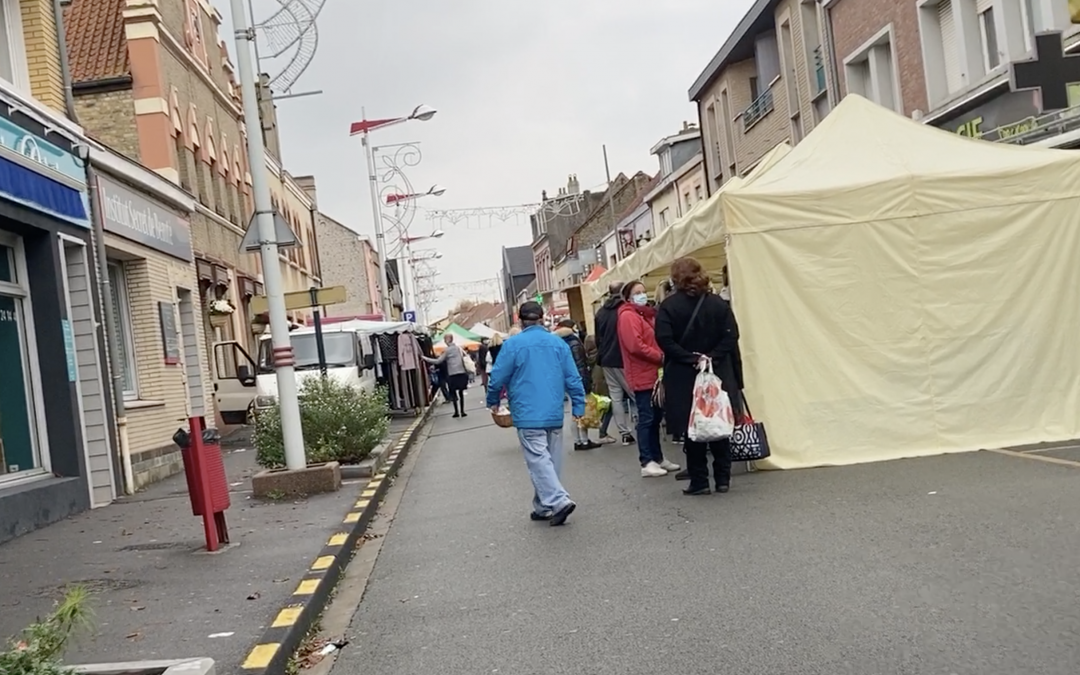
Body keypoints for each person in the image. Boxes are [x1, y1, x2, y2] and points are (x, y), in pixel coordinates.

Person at [487, 302, 585, 526]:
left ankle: (558, 501)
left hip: (527, 411)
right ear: (542, 319)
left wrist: (493, 401)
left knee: (539, 459)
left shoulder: (513, 345)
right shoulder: (558, 344)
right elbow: (573, 377)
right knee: (550, 460)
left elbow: (497, 377)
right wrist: (578, 405)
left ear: (520, 321)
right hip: (553, 411)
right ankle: (542, 506)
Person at [656, 257, 743, 496]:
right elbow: (731, 335)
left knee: (692, 428)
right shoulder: (718, 303)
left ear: (675, 278)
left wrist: (690, 358)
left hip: (685, 374)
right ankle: (723, 478)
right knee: (719, 424)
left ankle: (700, 480)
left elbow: (664, 340)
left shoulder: (669, 306)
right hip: (718, 371)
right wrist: (712, 356)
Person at [617, 281, 681, 478]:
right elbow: (635, 345)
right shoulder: (628, 316)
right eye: (637, 293)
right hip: (642, 372)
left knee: (654, 417)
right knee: (646, 417)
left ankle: (657, 457)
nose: (642, 295)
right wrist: (659, 356)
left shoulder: (643, 314)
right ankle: (647, 460)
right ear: (628, 297)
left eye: (644, 291)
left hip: (653, 372)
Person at [594, 281, 637, 445]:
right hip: (622, 358)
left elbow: (598, 338)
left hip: (606, 359)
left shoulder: (601, 312)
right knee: (635, 394)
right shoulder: (625, 310)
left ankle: (624, 432)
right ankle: (641, 426)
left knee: (616, 397)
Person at [554, 319, 601, 451]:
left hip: (565, 381)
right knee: (581, 410)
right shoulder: (575, 343)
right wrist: (586, 382)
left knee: (571, 411)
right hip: (577, 380)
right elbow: (580, 364)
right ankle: (584, 441)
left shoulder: (558, 343)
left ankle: (577, 441)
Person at [422, 334, 470, 418]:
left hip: (452, 374)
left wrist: (425, 358)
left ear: (448, 340)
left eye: (445, 339)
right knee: (461, 392)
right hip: (461, 372)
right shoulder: (458, 348)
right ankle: (462, 411)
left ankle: (456, 412)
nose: (444, 341)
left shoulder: (447, 351)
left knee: (453, 393)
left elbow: (438, 361)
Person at [584, 334, 615, 444]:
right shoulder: (600, 356)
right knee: (609, 409)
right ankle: (602, 432)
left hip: (596, 386)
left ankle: (602, 431)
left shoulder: (588, 356)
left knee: (605, 409)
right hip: (603, 385)